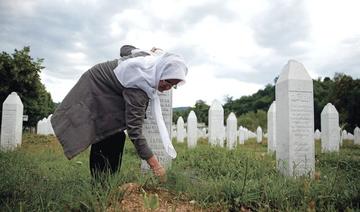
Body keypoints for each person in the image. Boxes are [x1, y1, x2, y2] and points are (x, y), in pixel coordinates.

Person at [50, 45, 188, 181]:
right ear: (161, 71)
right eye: (168, 81)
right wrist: (155, 165)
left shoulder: (148, 60)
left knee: (116, 135)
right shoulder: (139, 87)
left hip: (109, 91)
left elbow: (124, 49)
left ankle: (109, 180)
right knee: (107, 135)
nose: (168, 88)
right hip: (95, 88)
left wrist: (143, 51)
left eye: (173, 85)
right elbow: (134, 131)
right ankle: (101, 183)